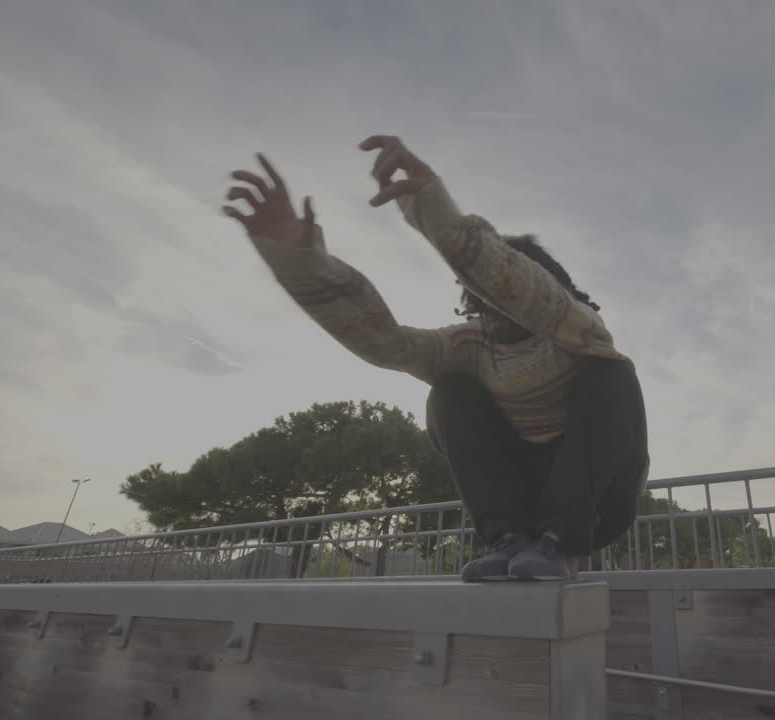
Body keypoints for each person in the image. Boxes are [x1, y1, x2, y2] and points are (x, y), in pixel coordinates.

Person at [221, 136, 648, 582]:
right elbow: (386, 342)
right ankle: (511, 539)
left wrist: (434, 214)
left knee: (613, 374)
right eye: (481, 305)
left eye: (500, 302)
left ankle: (561, 543)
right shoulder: (469, 345)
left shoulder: (579, 327)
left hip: (601, 502)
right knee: (448, 392)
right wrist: (304, 263)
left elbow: (525, 290)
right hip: (525, 496)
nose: (494, 315)